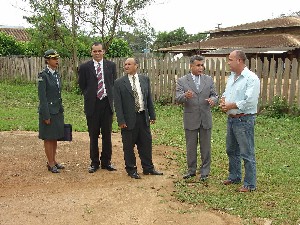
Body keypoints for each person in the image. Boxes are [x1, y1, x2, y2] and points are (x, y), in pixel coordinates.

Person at [114, 57, 163, 179]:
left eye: (129, 64)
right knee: (128, 146)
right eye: (125, 64)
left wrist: (152, 115)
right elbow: (118, 104)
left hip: (143, 117)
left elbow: (148, 99)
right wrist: (121, 120)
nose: (126, 66)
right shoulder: (119, 82)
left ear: (136, 66)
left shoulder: (144, 79)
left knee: (146, 144)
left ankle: (148, 168)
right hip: (128, 119)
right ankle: (131, 170)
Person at [220, 50, 260, 192]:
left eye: (230, 60)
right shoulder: (232, 77)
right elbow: (227, 93)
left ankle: (250, 183)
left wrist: (231, 105)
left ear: (239, 61)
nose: (228, 63)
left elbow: (250, 101)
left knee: (246, 152)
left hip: (244, 119)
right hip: (231, 119)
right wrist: (223, 101)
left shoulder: (251, 79)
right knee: (231, 150)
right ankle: (234, 176)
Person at [175, 55, 218, 181]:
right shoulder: (182, 81)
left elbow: (215, 95)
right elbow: (177, 98)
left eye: (202, 65)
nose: (201, 68)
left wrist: (213, 100)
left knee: (206, 147)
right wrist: (185, 96)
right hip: (191, 118)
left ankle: (205, 171)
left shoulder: (208, 79)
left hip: (205, 118)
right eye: (198, 65)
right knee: (191, 146)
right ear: (191, 66)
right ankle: (191, 170)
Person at [78, 42, 117, 173]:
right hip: (92, 105)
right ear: (91, 52)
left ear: (103, 52)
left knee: (107, 135)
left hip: (107, 104)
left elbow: (112, 83)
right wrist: (91, 95)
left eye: (99, 51)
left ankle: (106, 162)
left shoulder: (111, 66)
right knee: (93, 135)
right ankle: (94, 163)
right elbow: (82, 86)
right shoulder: (84, 67)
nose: (97, 53)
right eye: (95, 51)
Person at [38, 49, 65, 173]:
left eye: (57, 58)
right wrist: (45, 115)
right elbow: (42, 97)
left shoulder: (56, 74)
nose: (56, 61)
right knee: (48, 138)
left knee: (54, 137)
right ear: (47, 60)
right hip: (48, 111)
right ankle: (50, 163)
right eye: (54, 59)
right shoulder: (43, 75)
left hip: (57, 110)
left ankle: (54, 161)